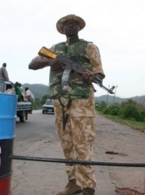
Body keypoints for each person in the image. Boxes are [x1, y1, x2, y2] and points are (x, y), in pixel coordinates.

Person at [28, 14, 105, 195]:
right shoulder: (55, 48)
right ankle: (73, 183)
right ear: (62, 29)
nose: (70, 26)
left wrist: (91, 76)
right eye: (67, 24)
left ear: (79, 27)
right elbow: (32, 64)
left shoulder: (89, 47)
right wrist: (50, 61)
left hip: (82, 101)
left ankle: (87, 187)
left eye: (74, 24)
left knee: (82, 144)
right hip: (60, 102)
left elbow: (100, 75)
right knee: (67, 143)